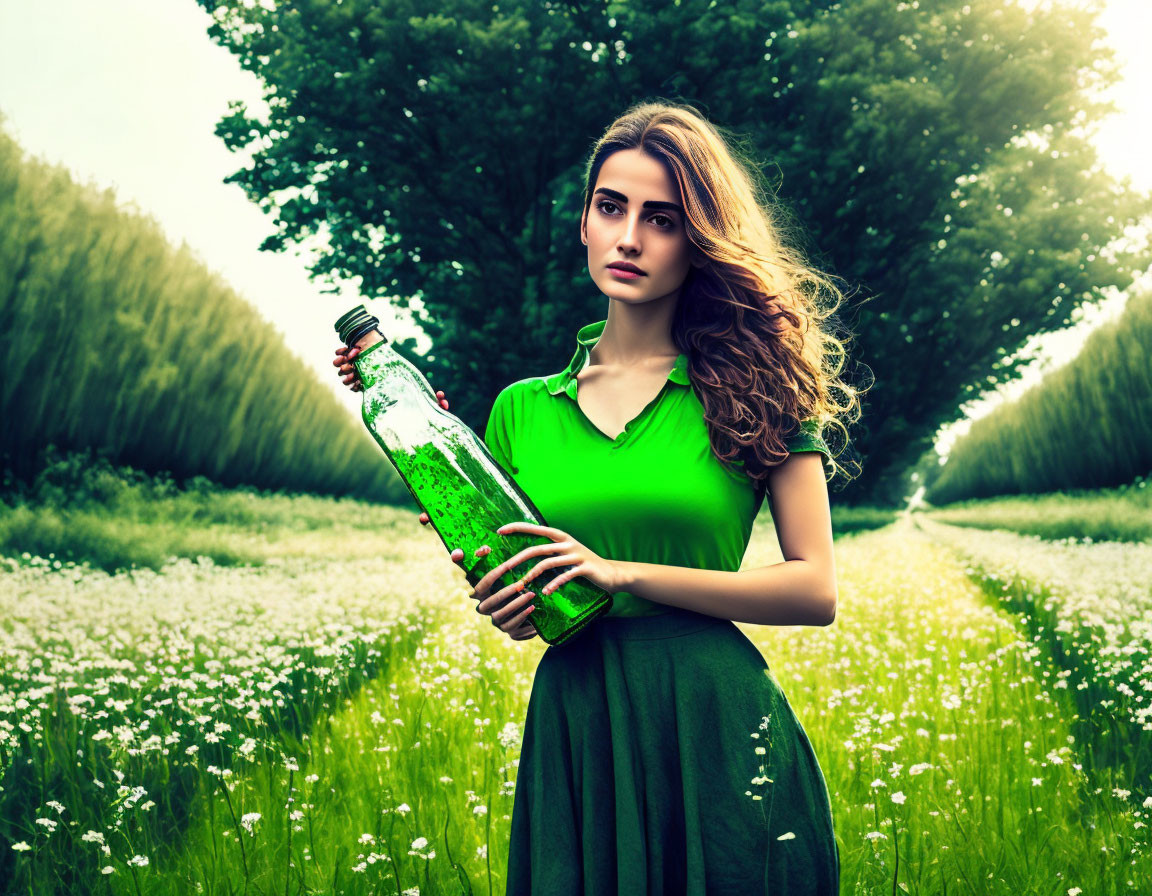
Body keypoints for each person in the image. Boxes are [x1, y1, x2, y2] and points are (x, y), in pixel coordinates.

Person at [334, 100, 859, 895]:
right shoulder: (518, 412)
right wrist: (500, 589)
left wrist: (622, 574)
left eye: (663, 218)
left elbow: (814, 589)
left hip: (713, 720)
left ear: (699, 241)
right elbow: (521, 597)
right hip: (580, 722)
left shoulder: (761, 391)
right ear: (583, 221)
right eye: (610, 207)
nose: (629, 237)